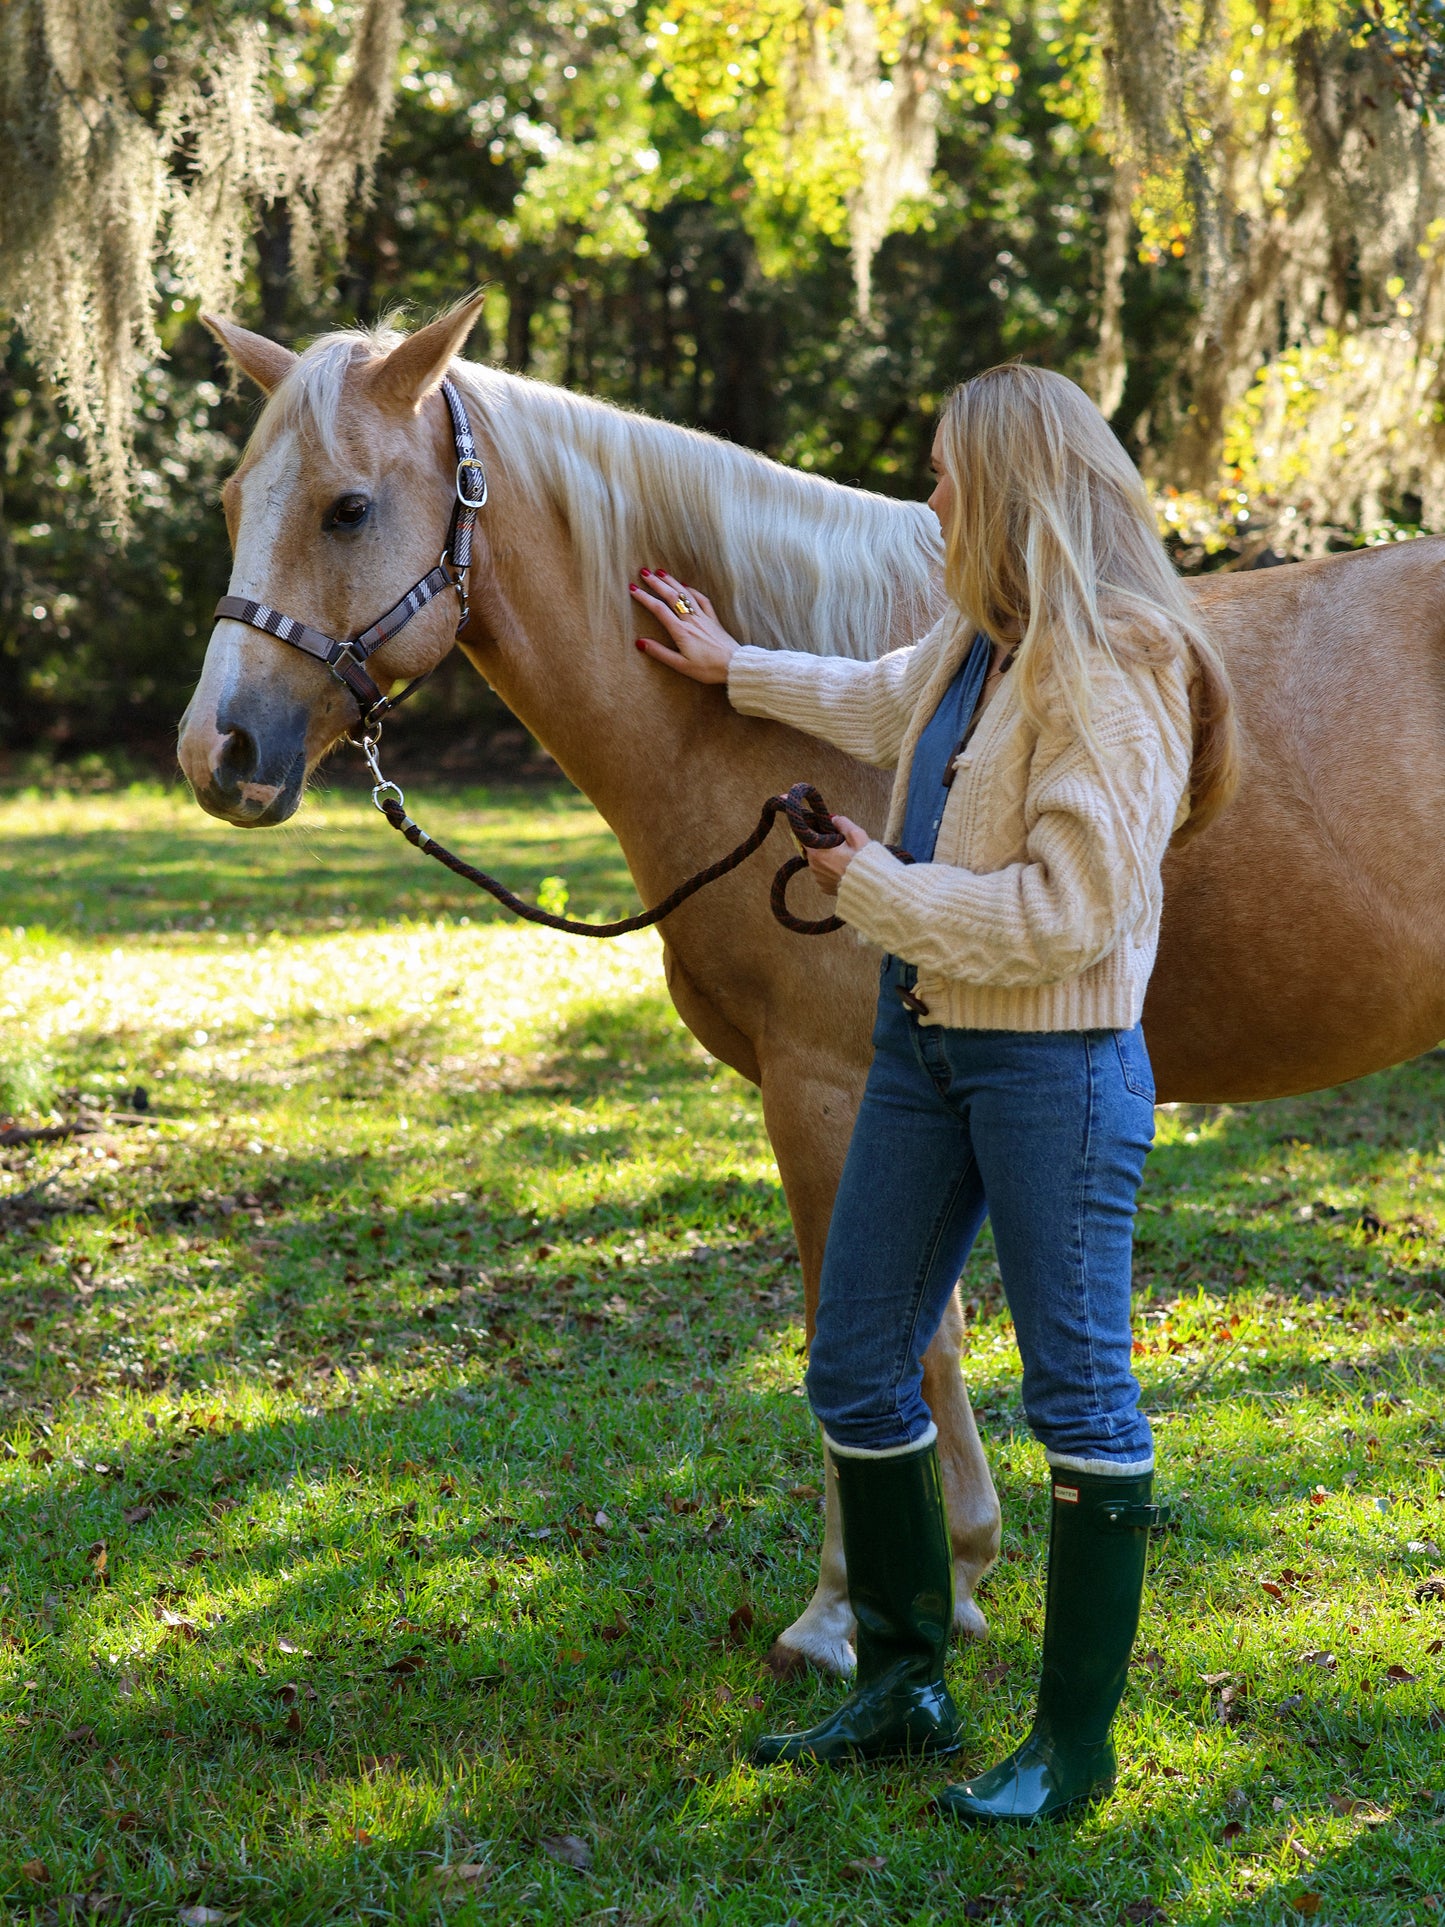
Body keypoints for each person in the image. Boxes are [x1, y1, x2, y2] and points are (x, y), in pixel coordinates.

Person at [628, 364, 1238, 1824]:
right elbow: (871, 694)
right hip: (923, 1054)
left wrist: (872, 890)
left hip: (1051, 1069)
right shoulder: (978, 634)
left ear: (1019, 487)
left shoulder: (1119, 663)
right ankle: (901, 1684)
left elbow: (1071, 913)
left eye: (950, 473)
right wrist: (728, 667)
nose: (931, 496)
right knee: (855, 1362)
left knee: (1076, 1393)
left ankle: (1071, 1749)